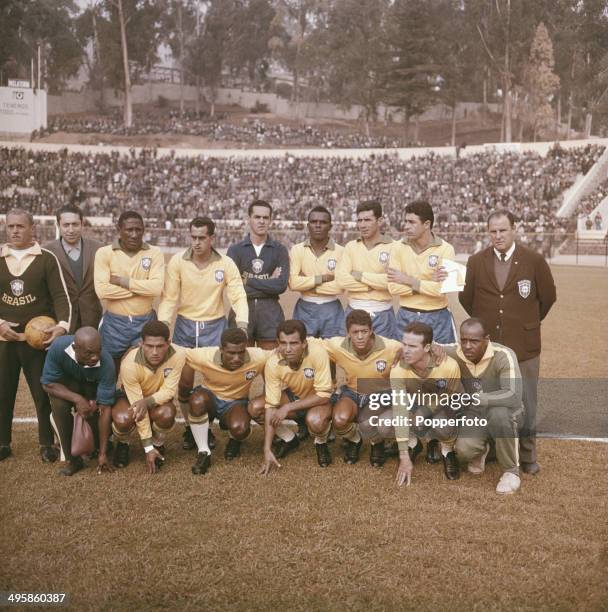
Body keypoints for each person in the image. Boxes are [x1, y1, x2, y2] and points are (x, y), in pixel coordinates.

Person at [459, 210, 556, 475]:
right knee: (490, 399)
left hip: (524, 346)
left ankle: (528, 457)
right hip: (489, 350)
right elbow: (466, 299)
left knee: (527, 401)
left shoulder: (534, 260)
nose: (498, 236)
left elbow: (548, 298)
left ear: (514, 229)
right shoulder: (476, 261)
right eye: (493, 231)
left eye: (503, 230)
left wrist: (526, 324)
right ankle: (490, 450)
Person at [158, 216, 249, 453]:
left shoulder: (225, 263)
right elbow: (169, 298)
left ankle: (213, 426)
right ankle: (192, 427)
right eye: (193, 237)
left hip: (214, 328)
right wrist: (163, 327)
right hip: (185, 328)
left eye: (202, 238)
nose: (196, 242)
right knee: (185, 384)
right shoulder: (178, 261)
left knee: (215, 384)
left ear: (212, 238)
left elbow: (237, 294)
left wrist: (242, 323)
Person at [0, 209, 71, 463]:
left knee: (42, 392)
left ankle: (46, 443)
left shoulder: (46, 258)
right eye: (11, 226)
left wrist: (61, 326)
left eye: (20, 226)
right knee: (2, 393)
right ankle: (3, 443)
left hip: (36, 341)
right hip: (4, 340)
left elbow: (61, 297)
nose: (15, 231)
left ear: (33, 229)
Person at [445, 318, 524, 495]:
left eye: (474, 341)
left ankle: (511, 472)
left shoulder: (504, 354)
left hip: (506, 410)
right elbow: (430, 348)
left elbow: (514, 396)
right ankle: (485, 448)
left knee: (499, 415)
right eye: (463, 340)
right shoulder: (456, 352)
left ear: (487, 339)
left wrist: (481, 398)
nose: (467, 346)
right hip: (476, 413)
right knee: (463, 452)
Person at [318, 309, 402, 467]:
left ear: (371, 330)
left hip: (379, 395)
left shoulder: (391, 347)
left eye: (364, 331)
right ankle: (354, 440)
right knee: (339, 419)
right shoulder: (338, 345)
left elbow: (417, 349)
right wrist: (278, 349)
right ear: (348, 333)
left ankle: (376, 444)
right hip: (352, 393)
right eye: (355, 332)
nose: (360, 336)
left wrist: (431, 348)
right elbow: (310, 343)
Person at [184, 328, 269, 474]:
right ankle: (204, 451)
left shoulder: (259, 357)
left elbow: (281, 352)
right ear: (221, 349)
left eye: (241, 352)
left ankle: (234, 440)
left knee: (240, 428)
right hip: (210, 398)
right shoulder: (204, 356)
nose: (237, 358)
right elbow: (177, 353)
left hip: (236, 403)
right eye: (231, 353)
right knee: (197, 400)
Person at [391, 322, 463, 484]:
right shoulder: (398, 369)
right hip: (413, 404)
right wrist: (403, 454)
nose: (406, 350)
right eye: (404, 344)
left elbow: (449, 398)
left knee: (443, 424)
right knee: (385, 422)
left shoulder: (448, 366)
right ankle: (413, 444)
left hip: (441, 405)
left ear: (427, 347)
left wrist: (426, 410)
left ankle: (447, 450)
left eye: (412, 346)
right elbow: (400, 409)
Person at [259, 320, 333, 474]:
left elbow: (324, 395)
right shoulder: (273, 362)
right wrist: (267, 448)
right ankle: (289, 439)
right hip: (295, 396)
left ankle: (321, 442)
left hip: (317, 400)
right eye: (283, 343)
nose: (288, 349)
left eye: (293, 343)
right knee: (256, 408)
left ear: (304, 343)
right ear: (278, 343)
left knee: (316, 421)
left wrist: (288, 407)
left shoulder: (317, 352)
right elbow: (270, 406)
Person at [94, 211, 164, 371]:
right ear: (119, 229)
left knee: (143, 371)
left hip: (145, 321)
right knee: (109, 370)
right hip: (114, 323)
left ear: (143, 230)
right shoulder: (104, 253)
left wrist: (121, 281)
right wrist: (142, 289)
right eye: (129, 230)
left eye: (138, 230)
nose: (134, 234)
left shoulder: (154, 253)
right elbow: (102, 291)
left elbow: (157, 288)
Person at [111, 321, 185, 474]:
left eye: (160, 346)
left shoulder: (178, 355)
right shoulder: (129, 364)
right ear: (141, 344)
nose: (155, 352)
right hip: (131, 398)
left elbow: (169, 391)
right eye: (149, 346)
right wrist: (147, 447)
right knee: (123, 418)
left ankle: (158, 444)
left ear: (169, 343)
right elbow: (138, 406)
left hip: (157, 400)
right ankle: (123, 444)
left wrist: (148, 401)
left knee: (167, 413)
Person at [41, 327, 115, 476]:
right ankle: (73, 459)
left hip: (91, 392)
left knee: (96, 413)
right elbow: (48, 383)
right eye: (89, 353)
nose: (95, 357)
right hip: (66, 389)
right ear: (75, 348)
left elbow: (105, 408)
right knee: (59, 406)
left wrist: (103, 453)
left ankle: (97, 447)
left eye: (98, 351)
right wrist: (77, 399)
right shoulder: (58, 347)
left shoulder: (107, 363)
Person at [388, 200, 457, 342]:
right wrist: (427, 283)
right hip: (406, 315)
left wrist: (408, 280)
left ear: (426, 224)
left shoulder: (446, 249)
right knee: (406, 362)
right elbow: (393, 287)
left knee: (439, 363)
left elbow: (442, 290)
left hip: (437, 317)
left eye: (412, 222)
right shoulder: (397, 247)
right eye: (405, 221)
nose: (406, 226)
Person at [227, 200, 289, 350]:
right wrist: (269, 282)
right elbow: (233, 286)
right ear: (249, 219)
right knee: (242, 362)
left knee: (270, 363)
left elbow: (280, 285)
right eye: (257, 217)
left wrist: (247, 279)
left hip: (270, 313)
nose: (261, 221)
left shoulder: (279, 250)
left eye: (265, 218)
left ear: (270, 220)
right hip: (241, 310)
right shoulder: (235, 250)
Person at [335, 200, 397, 339]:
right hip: (353, 311)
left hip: (383, 314)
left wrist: (359, 275)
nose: (362, 225)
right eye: (360, 220)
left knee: (383, 358)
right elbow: (342, 280)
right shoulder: (351, 246)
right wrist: (370, 286)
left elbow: (391, 282)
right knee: (349, 357)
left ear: (379, 221)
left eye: (367, 220)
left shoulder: (394, 247)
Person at [44, 204, 103, 333]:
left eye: (75, 224)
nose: (71, 230)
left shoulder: (99, 249)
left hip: (92, 319)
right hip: (60, 320)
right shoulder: (47, 251)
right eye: (66, 225)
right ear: (59, 225)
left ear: (82, 224)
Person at [289, 205, 345, 339]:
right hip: (305, 307)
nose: (318, 225)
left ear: (330, 226)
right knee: (304, 351)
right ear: (308, 226)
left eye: (323, 222)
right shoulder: (297, 250)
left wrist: (308, 285)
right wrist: (321, 278)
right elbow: (293, 283)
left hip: (332, 307)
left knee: (332, 351)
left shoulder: (341, 251)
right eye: (314, 222)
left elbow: (341, 286)